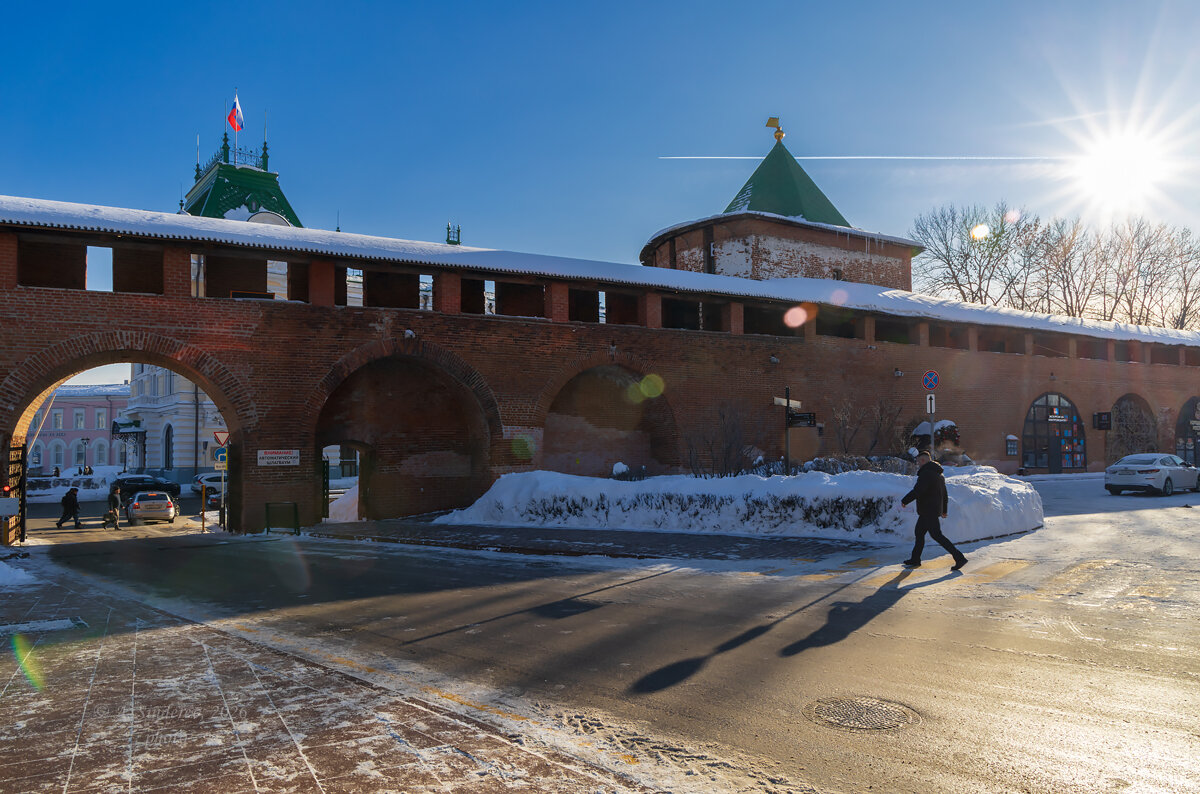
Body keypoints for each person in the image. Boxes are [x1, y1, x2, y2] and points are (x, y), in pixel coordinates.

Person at [900, 450, 967, 570]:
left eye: (918, 461)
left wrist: (905, 500)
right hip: (929, 510)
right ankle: (915, 559)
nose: (917, 464)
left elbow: (918, 490)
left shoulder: (926, 473)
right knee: (919, 533)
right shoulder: (938, 474)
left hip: (928, 510)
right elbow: (944, 494)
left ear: (923, 460)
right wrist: (944, 510)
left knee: (937, 535)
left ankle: (959, 557)